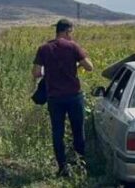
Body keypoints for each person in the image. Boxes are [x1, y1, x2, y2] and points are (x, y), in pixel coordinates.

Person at [32, 19, 94, 177]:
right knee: (78, 131)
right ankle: (81, 166)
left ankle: (62, 168)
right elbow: (90, 67)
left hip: (54, 97)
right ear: (67, 32)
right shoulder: (73, 46)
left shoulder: (44, 48)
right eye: (70, 33)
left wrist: (50, 71)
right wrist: (76, 65)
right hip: (74, 96)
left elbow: (36, 73)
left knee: (57, 132)